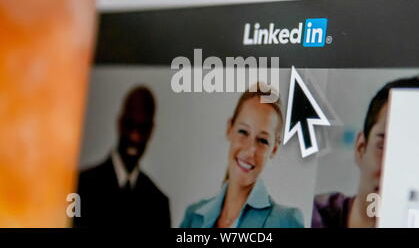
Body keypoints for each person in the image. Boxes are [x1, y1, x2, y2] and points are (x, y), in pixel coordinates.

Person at [312, 76, 419, 228]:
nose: (395, 170)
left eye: (414, 155)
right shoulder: (310, 216)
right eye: (384, 146)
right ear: (361, 147)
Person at [180, 83, 304, 228]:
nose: (250, 150)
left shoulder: (286, 222)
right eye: (243, 132)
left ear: (274, 149)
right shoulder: (193, 217)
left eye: (262, 140)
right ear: (229, 128)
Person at [74, 86, 171, 228]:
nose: (135, 136)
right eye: (130, 125)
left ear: (150, 131)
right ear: (120, 123)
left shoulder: (158, 204)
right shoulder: (81, 186)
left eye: (142, 128)